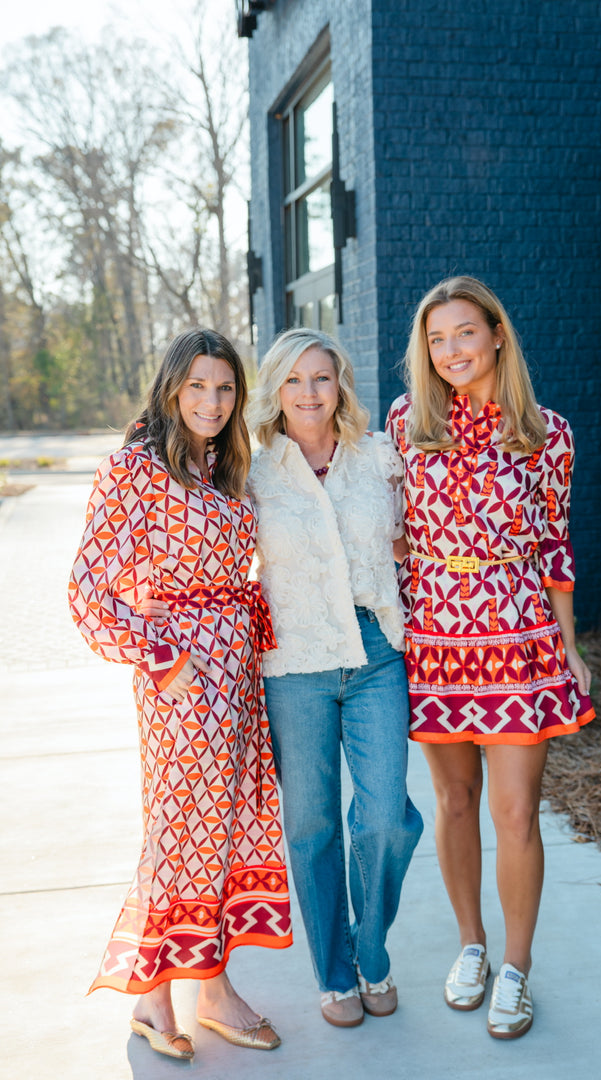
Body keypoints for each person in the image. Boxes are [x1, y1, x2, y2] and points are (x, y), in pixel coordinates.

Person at [68, 328, 291, 1062]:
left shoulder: (228, 463)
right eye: (197, 386)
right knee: (181, 826)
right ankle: (192, 990)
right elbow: (89, 593)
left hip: (238, 673)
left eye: (225, 388)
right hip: (182, 679)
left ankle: (175, 989)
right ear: (171, 388)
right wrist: (164, 657)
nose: (212, 401)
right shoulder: (136, 468)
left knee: (222, 825)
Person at [386, 276, 594, 1040]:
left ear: (497, 334)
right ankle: (469, 945)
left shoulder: (547, 434)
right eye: (437, 340)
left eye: (465, 333)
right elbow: (401, 537)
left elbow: (555, 545)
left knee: (515, 812)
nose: (451, 352)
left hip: (517, 638)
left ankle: (515, 967)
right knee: (453, 803)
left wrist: (568, 647)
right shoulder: (408, 421)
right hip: (438, 638)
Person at [245, 326, 423, 1029]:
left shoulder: (380, 457)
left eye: (321, 377)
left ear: (340, 383)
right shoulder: (252, 471)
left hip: (376, 653)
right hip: (293, 664)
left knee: (384, 816)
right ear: (276, 391)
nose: (309, 393)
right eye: (294, 380)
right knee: (313, 824)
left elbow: (419, 537)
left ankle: (370, 949)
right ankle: (334, 973)